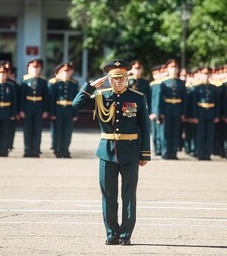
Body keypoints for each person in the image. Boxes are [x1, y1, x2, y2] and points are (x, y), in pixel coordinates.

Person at [72, 59, 151, 246]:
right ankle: (111, 233)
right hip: (107, 152)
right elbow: (76, 105)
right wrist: (91, 86)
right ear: (109, 79)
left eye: (122, 78)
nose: (118, 81)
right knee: (108, 195)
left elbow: (145, 127)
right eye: (114, 78)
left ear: (127, 78)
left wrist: (144, 153)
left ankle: (125, 235)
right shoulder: (101, 96)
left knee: (129, 195)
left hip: (130, 151)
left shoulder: (138, 97)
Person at [157, 59, 186, 160]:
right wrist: (160, 113)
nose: (173, 69)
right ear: (167, 69)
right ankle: (166, 152)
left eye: (175, 67)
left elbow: (184, 99)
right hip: (167, 110)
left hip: (177, 110)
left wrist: (183, 112)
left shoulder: (181, 83)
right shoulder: (164, 83)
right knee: (166, 132)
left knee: (175, 132)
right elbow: (160, 100)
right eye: (171, 67)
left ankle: (173, 153)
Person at [20, 59, 49, 157]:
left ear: (40, 69)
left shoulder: (43, 81)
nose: (35, 70)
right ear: (28, 68)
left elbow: (46, 97)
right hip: (27, 107)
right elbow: (22, 96)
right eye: (33, 68)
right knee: (27, 130)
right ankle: (27, 150)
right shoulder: (25, 80)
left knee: (37, 130)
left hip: (39, 108)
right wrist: (21, 109)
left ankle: (36, 150)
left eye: (37, 68)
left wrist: (45, 110)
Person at [49, 62, 79, 158]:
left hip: (69, 111)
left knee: (67, 132)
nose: (66, 73)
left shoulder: (74, 84)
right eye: (64, 71)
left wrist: (75, 113)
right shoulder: (55, 84)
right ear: (59, 72)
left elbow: (77, 100)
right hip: (58, 110)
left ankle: (65, 150)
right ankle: (57, 150)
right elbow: (51, 99)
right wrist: (52, 112)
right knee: (57, 132)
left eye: (68, 71)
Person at [191, 67, 220, 160]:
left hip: (211, 113)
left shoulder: (214, 88)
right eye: (204, 74)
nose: (206, 76)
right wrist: (194, 116)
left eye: (208, 74)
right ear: (200, 75)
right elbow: (194, 103)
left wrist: (217, 115)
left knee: (210, 134)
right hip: (200, 114)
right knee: (200, 134)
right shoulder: (197, 88)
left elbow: (218, 103)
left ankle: (207, 154)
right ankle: (200, 153)